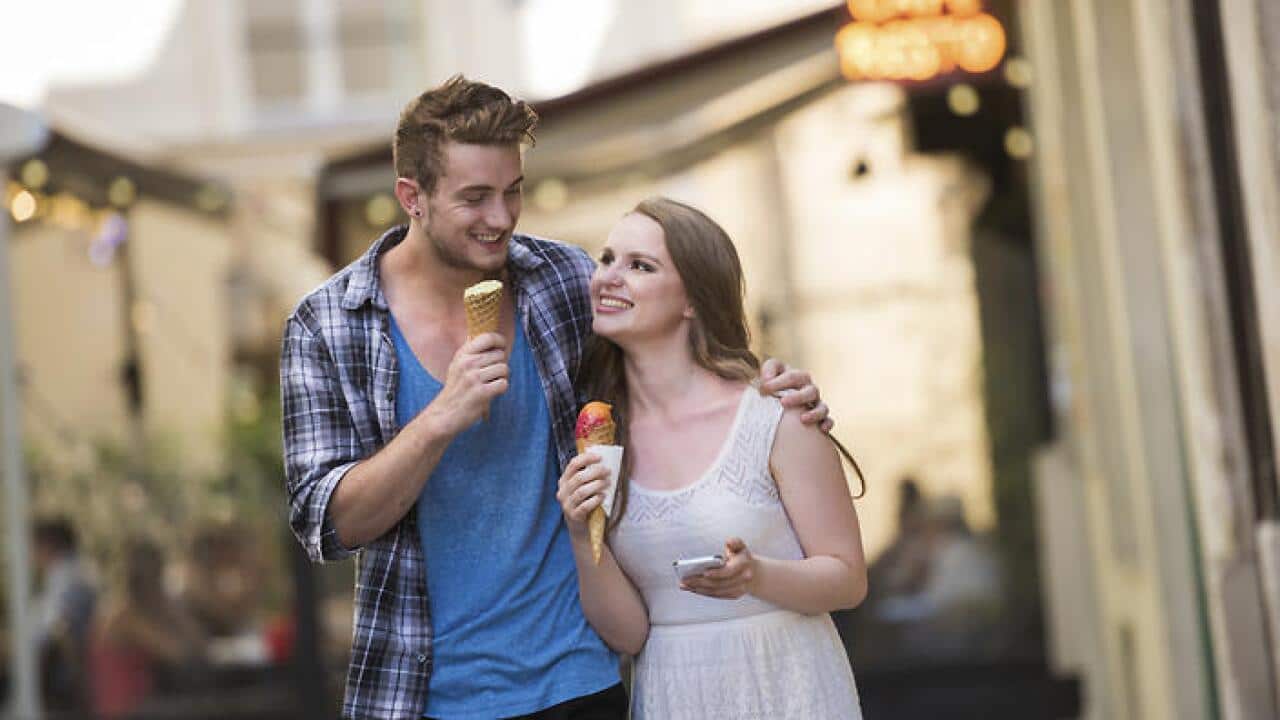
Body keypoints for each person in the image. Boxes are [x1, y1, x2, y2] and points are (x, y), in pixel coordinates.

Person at [280, 76, 833, 720]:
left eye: (512, 191)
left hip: (578, 678)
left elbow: (676, 368)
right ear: (413, 197)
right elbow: (328, 526)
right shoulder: (329, 324)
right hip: (421, 694)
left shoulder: (564, 281)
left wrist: (770, 393)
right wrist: (440, 418)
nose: (501, 218)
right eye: (475, 198)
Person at [557, 197, 867, 718]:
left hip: (790, 688)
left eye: (640, 266)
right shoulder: (602, 439)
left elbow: (848, 580)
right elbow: (630, 633)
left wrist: (756, 576)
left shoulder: (776, 415)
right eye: (608, 259)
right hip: (672, 695)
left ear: (693, 300)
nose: (609, 277)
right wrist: (577, 530)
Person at [88, 538, 207, 719]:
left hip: (145, 705)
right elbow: (180, 655)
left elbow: (199, 646)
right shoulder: (125, 618)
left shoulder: (138, 613)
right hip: (128, 710)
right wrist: (170, 607)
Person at [31, 517, 96, 712]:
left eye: (34, 546)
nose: (31, 554)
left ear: (48, 545)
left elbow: (58, 630)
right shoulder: (69, 574)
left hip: (57, 682)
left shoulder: (68, 577)